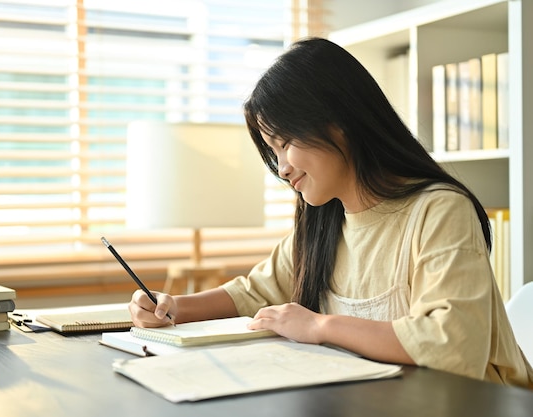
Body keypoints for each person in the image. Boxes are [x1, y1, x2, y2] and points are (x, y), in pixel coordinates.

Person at [128, 37, 533, 388]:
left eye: (286, 143)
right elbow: (254, 293)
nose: (282, 167)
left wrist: (321, 327)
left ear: (339, 123)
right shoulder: (322, 221)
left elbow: (451, 345)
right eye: (273, 151)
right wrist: (174, 308)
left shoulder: (439, 210)